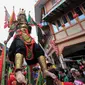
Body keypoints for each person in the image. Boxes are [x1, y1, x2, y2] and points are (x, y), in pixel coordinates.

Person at [4, 9, 56, 84]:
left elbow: (30, 30)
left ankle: (45, 70)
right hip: (19, 37)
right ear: (18, 17)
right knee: (20, 48)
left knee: (39, 50)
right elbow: (11, 33)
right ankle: (18, 71)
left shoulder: (27, 24)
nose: (22, 17)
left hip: (29, 39)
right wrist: (7, 40)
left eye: (23, 15)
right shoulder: (16, 24)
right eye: (21, 15)